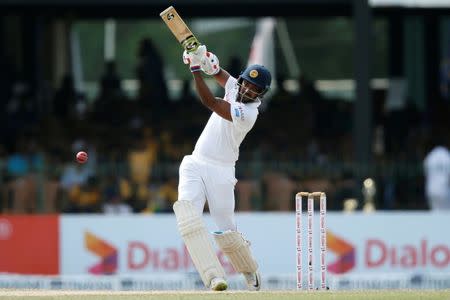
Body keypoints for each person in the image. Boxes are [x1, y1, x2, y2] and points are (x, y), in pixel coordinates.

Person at [172, 45, 271, 291]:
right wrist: (203, 59)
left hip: (222, 170)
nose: (247, 89)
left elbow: (210, 101)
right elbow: (217, 72)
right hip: (195, 162)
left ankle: (249, 269)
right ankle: (213, 277)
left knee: (226, 229)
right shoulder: (235, 86)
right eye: (246, 83)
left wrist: (195, 69)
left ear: (261, 93)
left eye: (255, 88)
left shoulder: (248, 113)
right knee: (188, 217)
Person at [423, 142, 450, 210]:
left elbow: (426, 171)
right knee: (446, 212)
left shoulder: (431, 155)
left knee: (435, 211)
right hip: (444, 189)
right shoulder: (447, 155)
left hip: (431, 188)